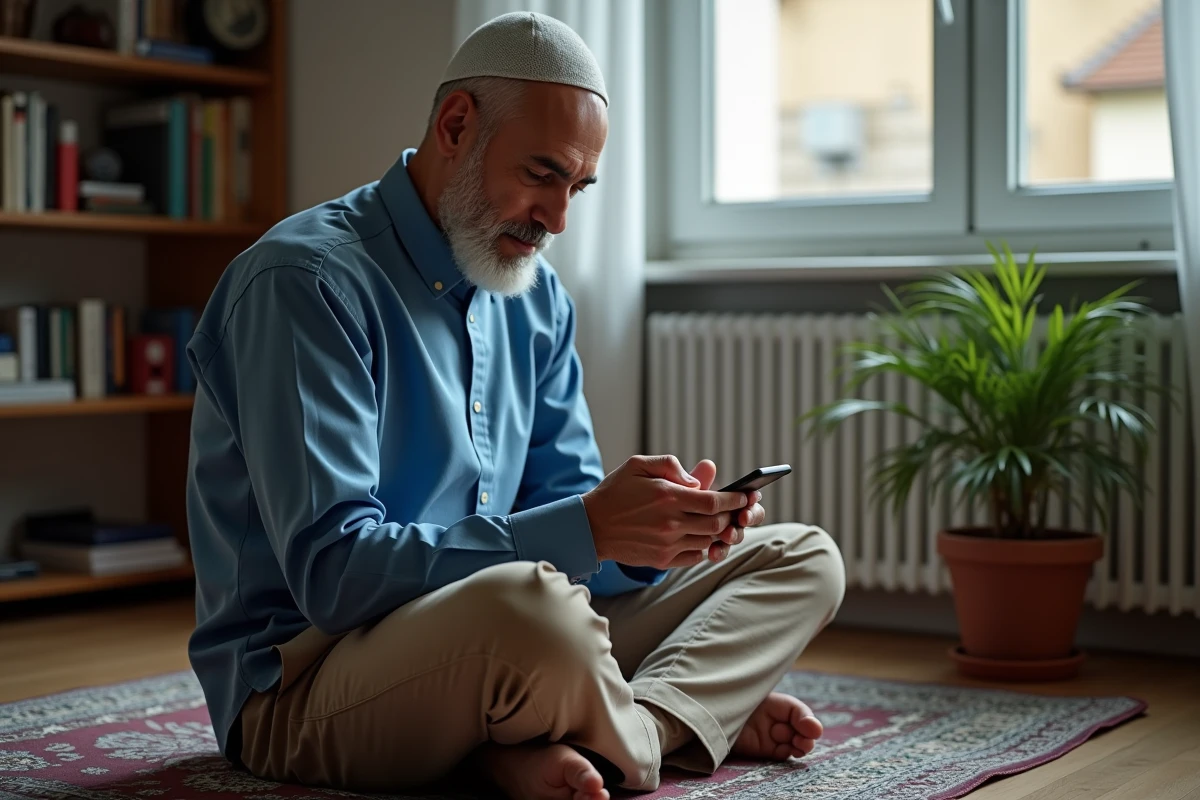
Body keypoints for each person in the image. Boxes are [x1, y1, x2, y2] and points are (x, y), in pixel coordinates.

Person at [186, 11, 845, 800]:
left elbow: (566, 531)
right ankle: (648, 731)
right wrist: (588, 527)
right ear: (456, 126)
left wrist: (655, 534)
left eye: (577, 186)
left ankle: (625, 724)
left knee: (802, 558)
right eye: (541, 174)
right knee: (535, 613)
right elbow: (335, 577)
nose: (558, 218)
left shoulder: (536, 301)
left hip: (504, 638)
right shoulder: (303, 284)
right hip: (305, 680)